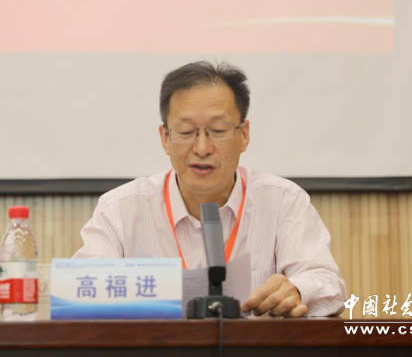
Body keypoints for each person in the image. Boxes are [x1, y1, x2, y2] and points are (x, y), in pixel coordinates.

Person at [73, 61, 346, 317]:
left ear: (244, 134)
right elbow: (80, 289)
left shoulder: (283, 201)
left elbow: (328, 285)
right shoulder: (121, 209)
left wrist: (297, 290)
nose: (202, 148)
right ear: (165, 138)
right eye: (186, 132)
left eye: (217, 130)